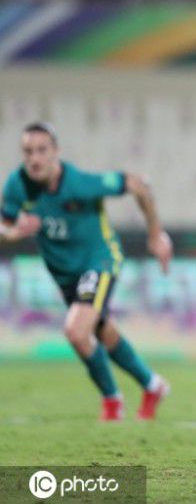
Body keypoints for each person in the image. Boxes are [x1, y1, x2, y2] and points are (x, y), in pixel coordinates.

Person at [0, 122, 173, 421]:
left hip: (100, 261)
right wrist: (16, 232)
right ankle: (152, 384)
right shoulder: (17, 186)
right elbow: (3, 227)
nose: (35, 159)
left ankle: (112, 402)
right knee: (102, 331)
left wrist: (156, 234)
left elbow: (138, 183)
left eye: (42, 150)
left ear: (56, 152)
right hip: (66, 276)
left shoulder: (79, 183)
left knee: (76, 331)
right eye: (28, 151)